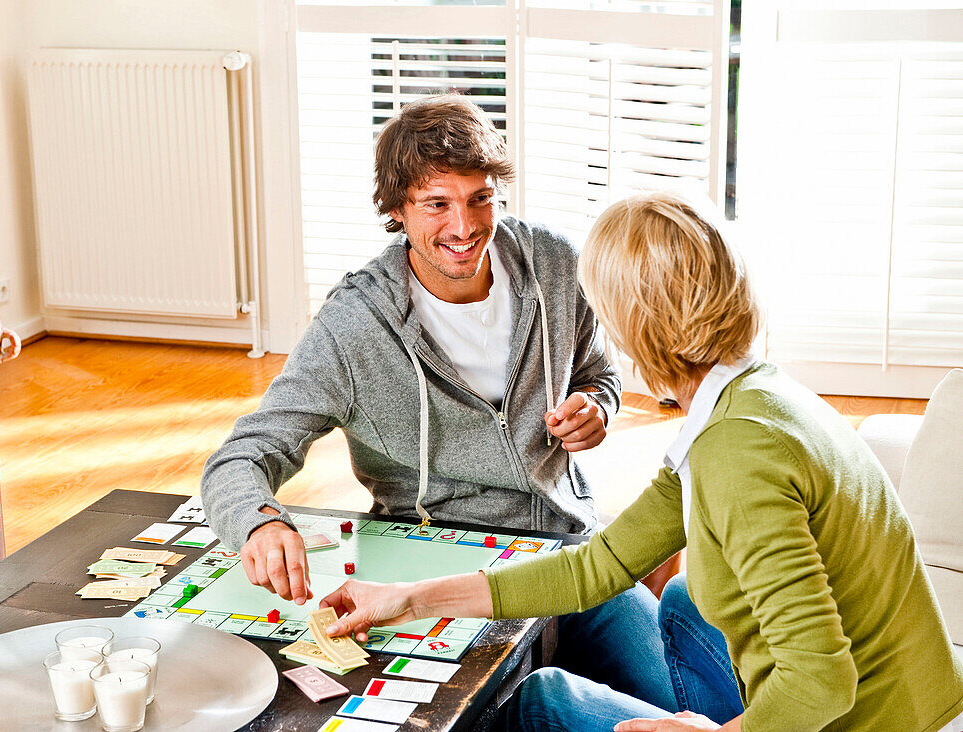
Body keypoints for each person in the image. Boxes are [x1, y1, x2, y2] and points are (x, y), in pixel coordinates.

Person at [319, 191, 963, 731]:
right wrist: (409, 599)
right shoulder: (749, 398)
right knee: (671, 597)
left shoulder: (736, 457)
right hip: (889, 696)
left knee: (546, 701)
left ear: (638, 324)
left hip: (859, 720)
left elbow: (822, 682)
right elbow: (596, 566)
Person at [201, 94, 677, 711]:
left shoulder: (555, 264)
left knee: (676, 705)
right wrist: (259, 521)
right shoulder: (354, 326)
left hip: (568, 551)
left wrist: (596, 404)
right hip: (431, 564)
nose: (464, 226)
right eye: (437, 204)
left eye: (480, 198)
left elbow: (596, 372)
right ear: (397, 209)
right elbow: (243, 456)